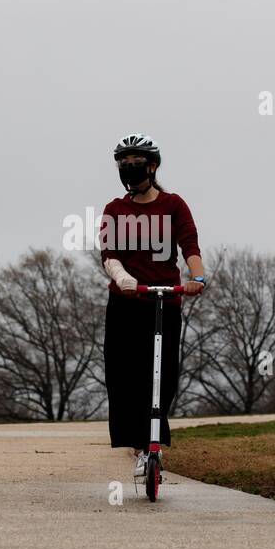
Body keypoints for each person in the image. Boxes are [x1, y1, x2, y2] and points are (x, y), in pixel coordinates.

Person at [99, 134, 205, 480]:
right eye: (123, 162)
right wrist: (122, 277)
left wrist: (197, 278)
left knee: (162, 376)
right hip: (125, 302)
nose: (129, 167)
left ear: (153, 165)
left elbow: (189, 243)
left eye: (136, 161)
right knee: (123, 374)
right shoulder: (115, 209)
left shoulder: (173, 205)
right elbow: (108, 254)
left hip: (163, 299)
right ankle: (139, 444)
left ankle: (152, 442)